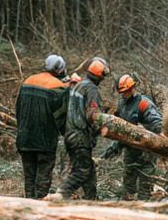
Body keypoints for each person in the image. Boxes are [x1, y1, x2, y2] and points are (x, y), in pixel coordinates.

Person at [54, 57, 110, 200]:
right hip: (80, 136)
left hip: (70, 134)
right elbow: (93, 115)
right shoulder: (91, 89)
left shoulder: (78, 85)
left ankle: (91, 199)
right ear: (100, 75)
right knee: (83, 171)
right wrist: (100, 129)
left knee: (89, 169)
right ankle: (61, 194)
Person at [15, 54, 69, 199]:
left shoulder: (28, 81)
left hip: (25, 138)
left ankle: (28, 204)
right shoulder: (58, 86)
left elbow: (18, 110)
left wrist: (21, 130)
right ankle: (39, 205)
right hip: (45, 141)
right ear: (60, 69)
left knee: (29, 177)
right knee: (43, 178)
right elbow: (62, 116)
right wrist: (66, 135)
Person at [103, 74, 163, 199]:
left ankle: (144, 206)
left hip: (146, 150)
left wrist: (143, 130)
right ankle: (128, 205)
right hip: (130, 150)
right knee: (128, 185)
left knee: (145, 185)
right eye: (122, 92)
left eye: (127, 91)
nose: (125, 94)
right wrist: (114, 148)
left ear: (133, 88)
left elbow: (158, 124)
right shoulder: (122, 104)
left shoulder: (144, 103)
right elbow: (120, 128)